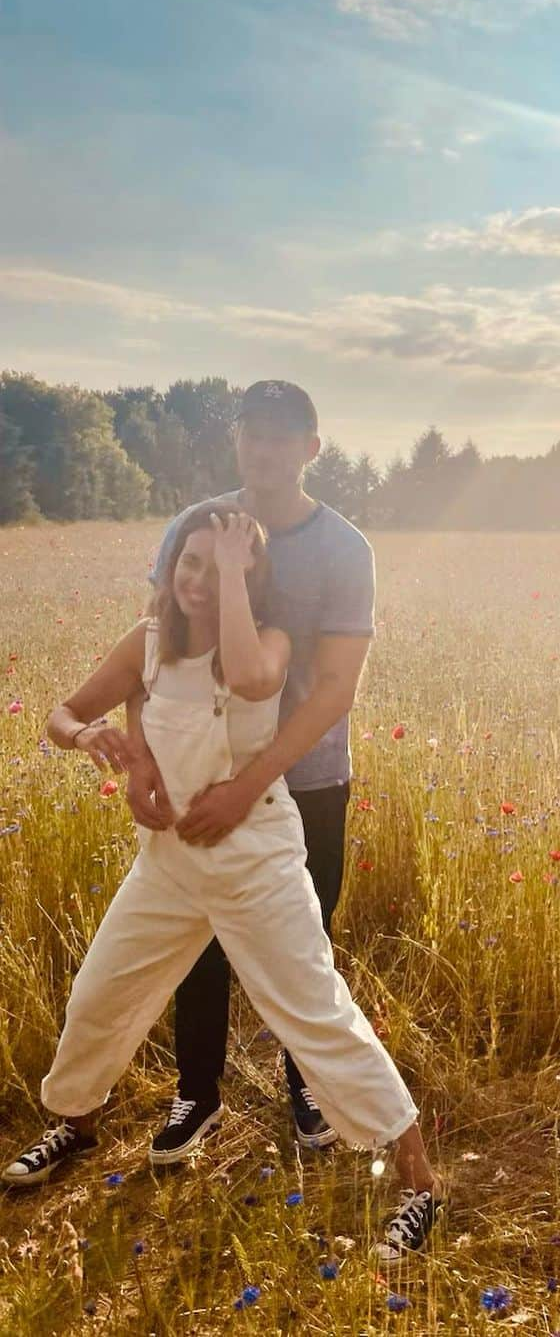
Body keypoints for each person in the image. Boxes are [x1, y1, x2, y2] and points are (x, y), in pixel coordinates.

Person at [2, 504, 443, 1263]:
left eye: (224, 566)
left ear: (251, 579)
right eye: (192, 562)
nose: (202, 581)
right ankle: (75, 1125)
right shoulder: (144, 643)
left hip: (254, 862)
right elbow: (62, 712)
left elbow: (246, 679)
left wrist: (237, 575)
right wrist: (98, 739)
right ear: (170, 566)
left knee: (315, 1015)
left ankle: (420, 1185)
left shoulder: (265, 640)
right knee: (99, 996)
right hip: (166, 867)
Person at [126, 381, 380, 1165]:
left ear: (312, 447)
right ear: (237, 441)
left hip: (306, 782)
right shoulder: (193, 526)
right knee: (193, 943)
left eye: (281, 437)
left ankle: (308, 1088)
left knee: (303, 944)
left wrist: (252, 785)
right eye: (251, 435)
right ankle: (196, 1097)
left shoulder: (344, 549)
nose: (263, 451)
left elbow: (336, 688)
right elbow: (153, 647)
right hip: (197, 776)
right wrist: (140, 757)